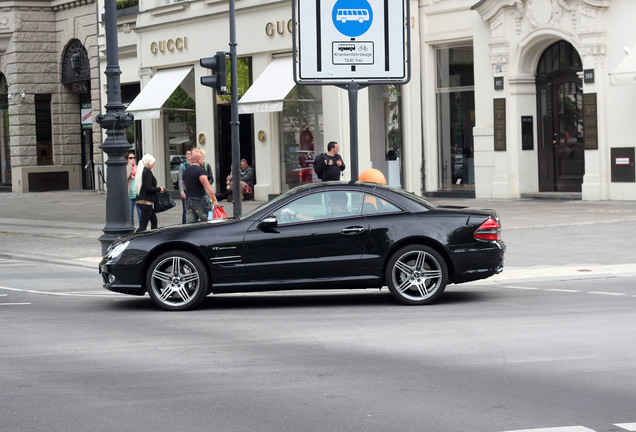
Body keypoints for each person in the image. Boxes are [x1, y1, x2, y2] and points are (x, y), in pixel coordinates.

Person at [183, 148, 219, 222]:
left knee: (191, 226)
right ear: (198, 160)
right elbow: (207, 186)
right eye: (202, 159)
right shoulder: (201, 171)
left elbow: (185, 187)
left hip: (189, 200)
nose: (203, 161)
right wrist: (215, 200)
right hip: (200, 200)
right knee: (207, 223)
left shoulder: (186, 171)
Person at [135, 154, 164, 233]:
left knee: (154, 221)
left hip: (142, 201)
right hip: (146, 202)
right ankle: (132, 240)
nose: (153, 166)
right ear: (149, 163)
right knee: (143, 226)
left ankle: (153, 237)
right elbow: (148, 188)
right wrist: (159, 189)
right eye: (153, 164)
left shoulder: (141, 171)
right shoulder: (147, 172)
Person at [126, 151, 141, 228]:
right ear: (127, 159)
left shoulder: (138, 168)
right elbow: (125, 177)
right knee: (130, 216)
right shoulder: (126, 168)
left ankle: (142, 230)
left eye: (134, 158)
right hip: (130, 195)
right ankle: (131, 231)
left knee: (140, 214)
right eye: (130, 158)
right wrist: (130, 167)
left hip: (137, 194)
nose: (133, 159)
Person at [177, 147, 193, 224]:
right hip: (185, 191)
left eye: (190, 154)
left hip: (193, 191)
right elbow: (180, 178)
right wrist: (181, 191)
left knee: (193, 209)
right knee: (185, 210)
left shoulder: (194, 164)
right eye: (187, 154)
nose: (189, 155)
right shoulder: (182, 165)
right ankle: (184, 224)